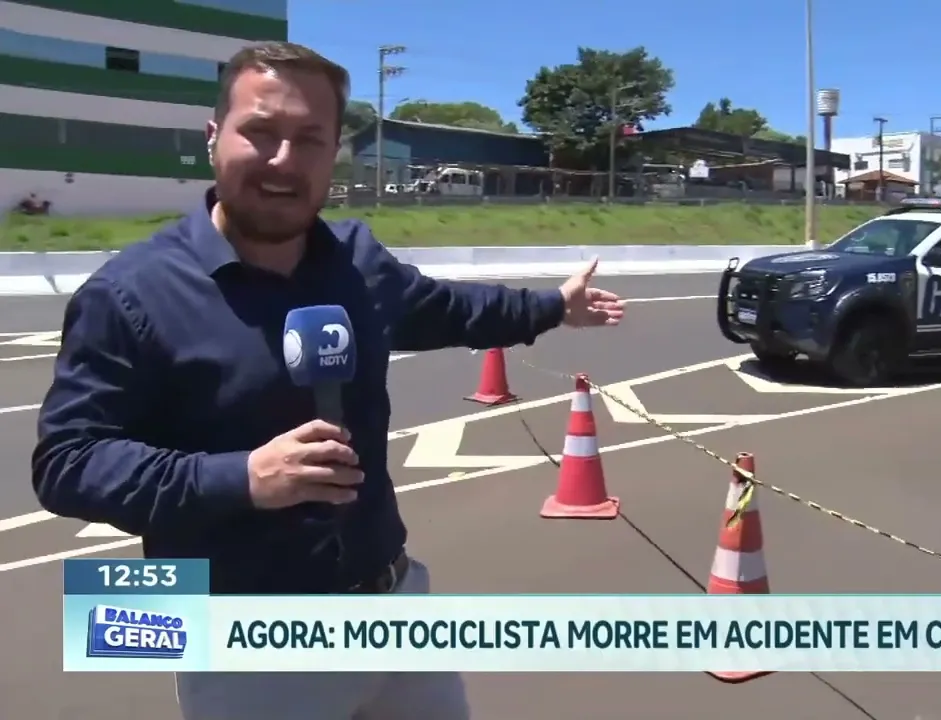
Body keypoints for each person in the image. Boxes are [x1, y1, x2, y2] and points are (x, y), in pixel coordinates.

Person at [31, 41, 624, 720]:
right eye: (261, 131)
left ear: (334, 152)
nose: (284, 160)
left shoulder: (357, 261)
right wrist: (243, 477)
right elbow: (68, 463)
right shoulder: (130, 294)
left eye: (310, 139)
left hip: (393, 609)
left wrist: (552, 306)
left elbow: (449, 308)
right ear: (213, 136)